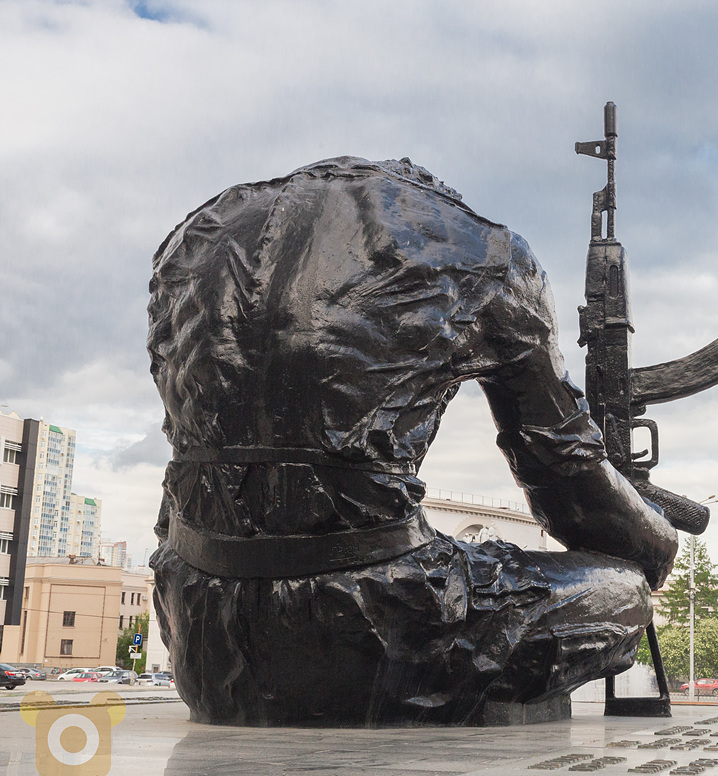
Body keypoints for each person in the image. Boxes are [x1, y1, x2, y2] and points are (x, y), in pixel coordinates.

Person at [147, 156, 680, 726]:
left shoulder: (190, 240)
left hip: (202, 630)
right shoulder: (487, 254)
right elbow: (570, 485)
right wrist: (658, 542)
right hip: (378, 636)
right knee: (624, 591)